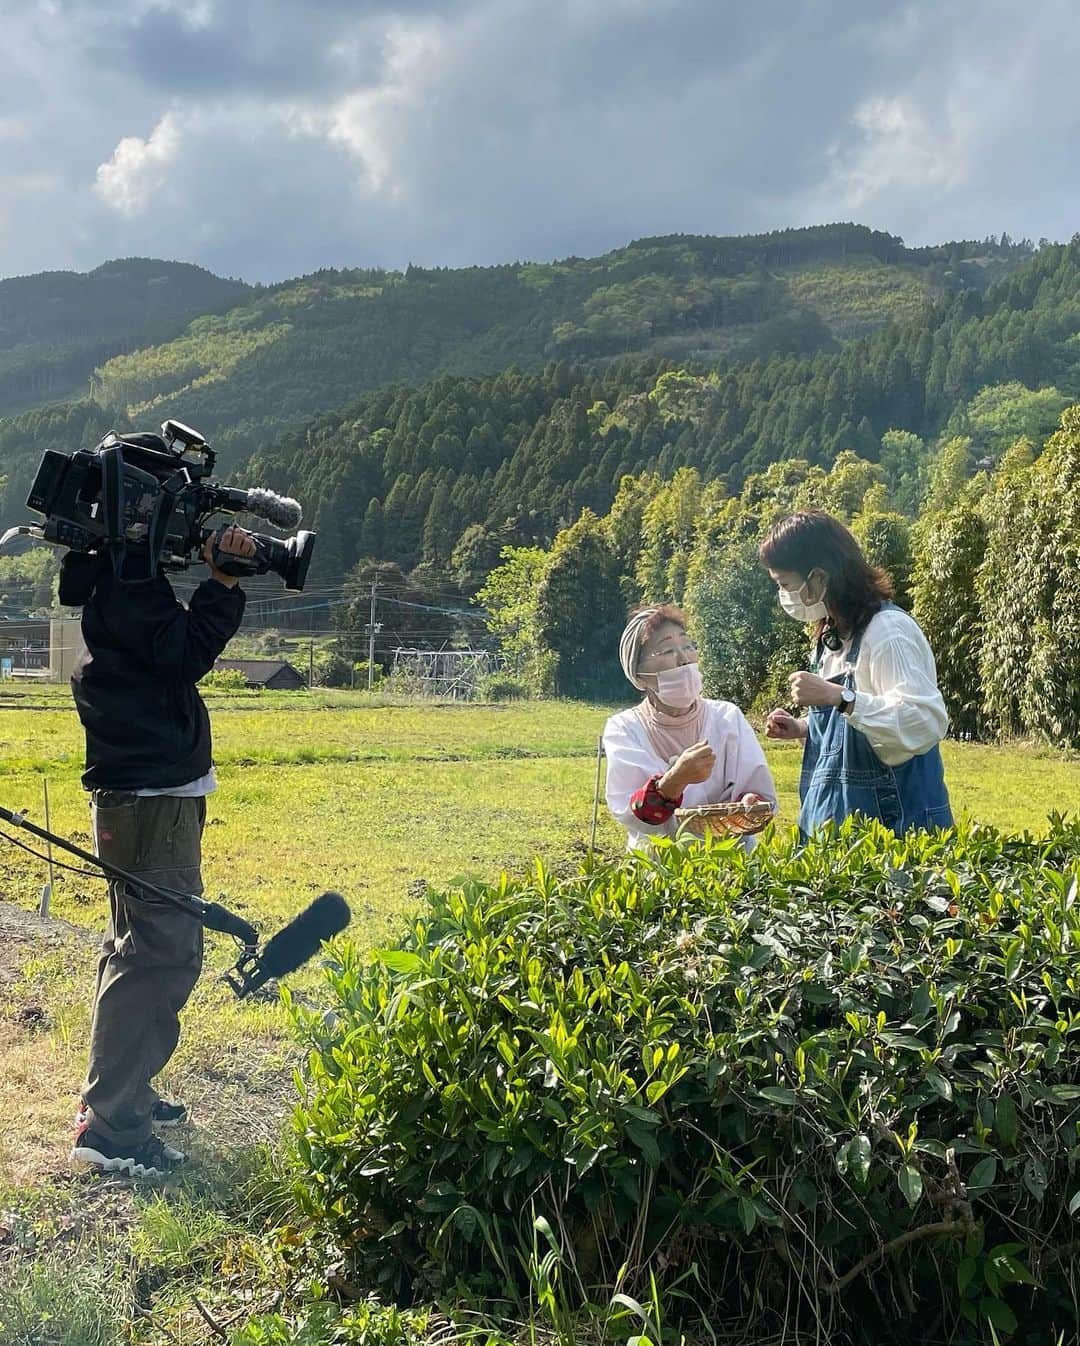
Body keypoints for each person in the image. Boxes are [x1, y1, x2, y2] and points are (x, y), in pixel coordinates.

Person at [64, 525, 255, 1178]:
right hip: (151, 796)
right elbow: (184, 653)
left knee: (136, 948)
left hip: (143, 791)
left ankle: (119, 1097)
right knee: (161, 952)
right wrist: (223, 582)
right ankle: (114, 1129)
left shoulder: (119, 581)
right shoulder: (129, 586)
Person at [760, 510, 952, 837]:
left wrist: (838, 697)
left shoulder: (889, 633)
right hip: (839, 832)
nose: (784, 595)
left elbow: (924, 721)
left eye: (785, 584)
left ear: (819, 577)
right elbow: (856, 724)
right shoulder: (832, 633)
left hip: (896, 832)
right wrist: (805, 728)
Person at [603, 604, 777, 851]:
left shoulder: (726, 717)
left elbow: (758, 797)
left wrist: (751, 804)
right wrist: (676, 779)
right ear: (638, 675)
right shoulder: (625, 728)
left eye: (687, 646)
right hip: (663, 870)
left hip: (732, 864)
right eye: (665, 651)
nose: (683, 658)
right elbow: (635, 814)